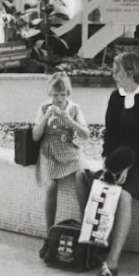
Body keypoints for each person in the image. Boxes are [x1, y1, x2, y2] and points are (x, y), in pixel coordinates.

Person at [95, 51, 139, 276]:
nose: (113, 75)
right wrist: (108, 161)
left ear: (130, 72)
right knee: (92, 183)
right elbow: (109, 135)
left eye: (117, 70)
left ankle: (112, 263)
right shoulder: (116, 97)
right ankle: (94, 245)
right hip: (122, 157)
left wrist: (130, 166)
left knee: (123, 195)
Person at [33, 71, 90, 258]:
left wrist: (70, 121)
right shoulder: (43, 108)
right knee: (50, 186)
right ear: (50, 94)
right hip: (49, 150)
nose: (58, 99)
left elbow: (85, 134)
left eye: (62, 95)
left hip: (69, 148)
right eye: (55, 95)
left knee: (82, 175)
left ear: (68, 94)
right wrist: (46, 117)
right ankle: (49, 234)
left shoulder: (74, 108)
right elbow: (35, 136)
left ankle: (84, 228)